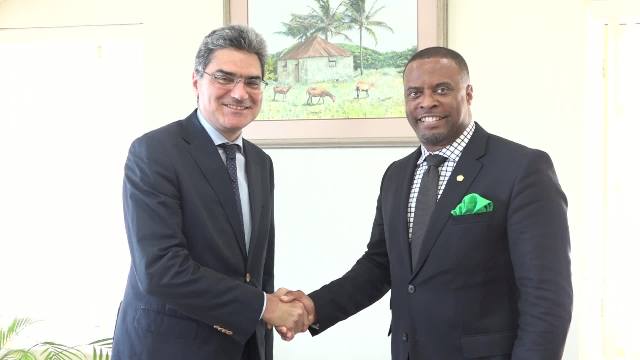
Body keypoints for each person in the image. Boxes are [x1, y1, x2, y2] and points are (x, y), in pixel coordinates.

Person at [280, 47, 573, 359]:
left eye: (442, 89)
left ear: (469, 94)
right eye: (415, 92)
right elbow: (380, 265)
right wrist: (313, 306)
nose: (427, 101)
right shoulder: (396, 175)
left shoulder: (521, 168)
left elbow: (546, 297)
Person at [111, 25, 309, 360]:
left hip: (243, 346)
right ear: (196, 81)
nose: (239, 92)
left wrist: (271, 311)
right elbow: (161, 270)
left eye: (252, 81)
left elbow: (258, 270)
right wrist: (265, 307)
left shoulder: (261, 163)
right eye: (224, 77)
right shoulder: (154, 152)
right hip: (168, 348)